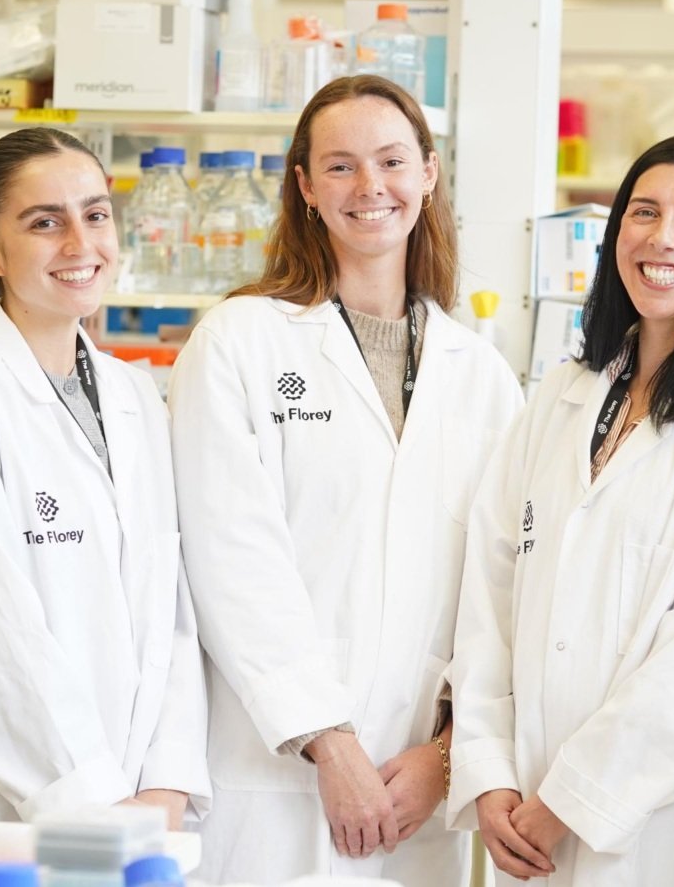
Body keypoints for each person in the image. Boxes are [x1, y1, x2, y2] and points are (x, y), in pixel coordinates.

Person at [166, 75, 523, 885]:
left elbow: (502, 591)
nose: (371, 188)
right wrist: (327, 739)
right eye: (340, 166)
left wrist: (446, 752)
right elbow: (230, 560)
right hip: (274, 773)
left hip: (414, 793)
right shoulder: (238, 343)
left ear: (429, 174)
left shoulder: (484, 377)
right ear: (304, 187)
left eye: (393, 161)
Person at [446, 134, 674, 885]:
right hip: (521, 819)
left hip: (648, 832)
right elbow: (491, 586)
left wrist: (567, 801)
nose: (661, 238)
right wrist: (487, 769)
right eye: (643, 212)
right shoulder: (566, 393)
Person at [0, 127, 210, 826]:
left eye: (95, 214)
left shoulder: (135, 395)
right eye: (44, 223)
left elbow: (169, 608)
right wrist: (93, 799)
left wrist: (166, 782)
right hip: (2, 807)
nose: (81, 245)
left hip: (138, 800)